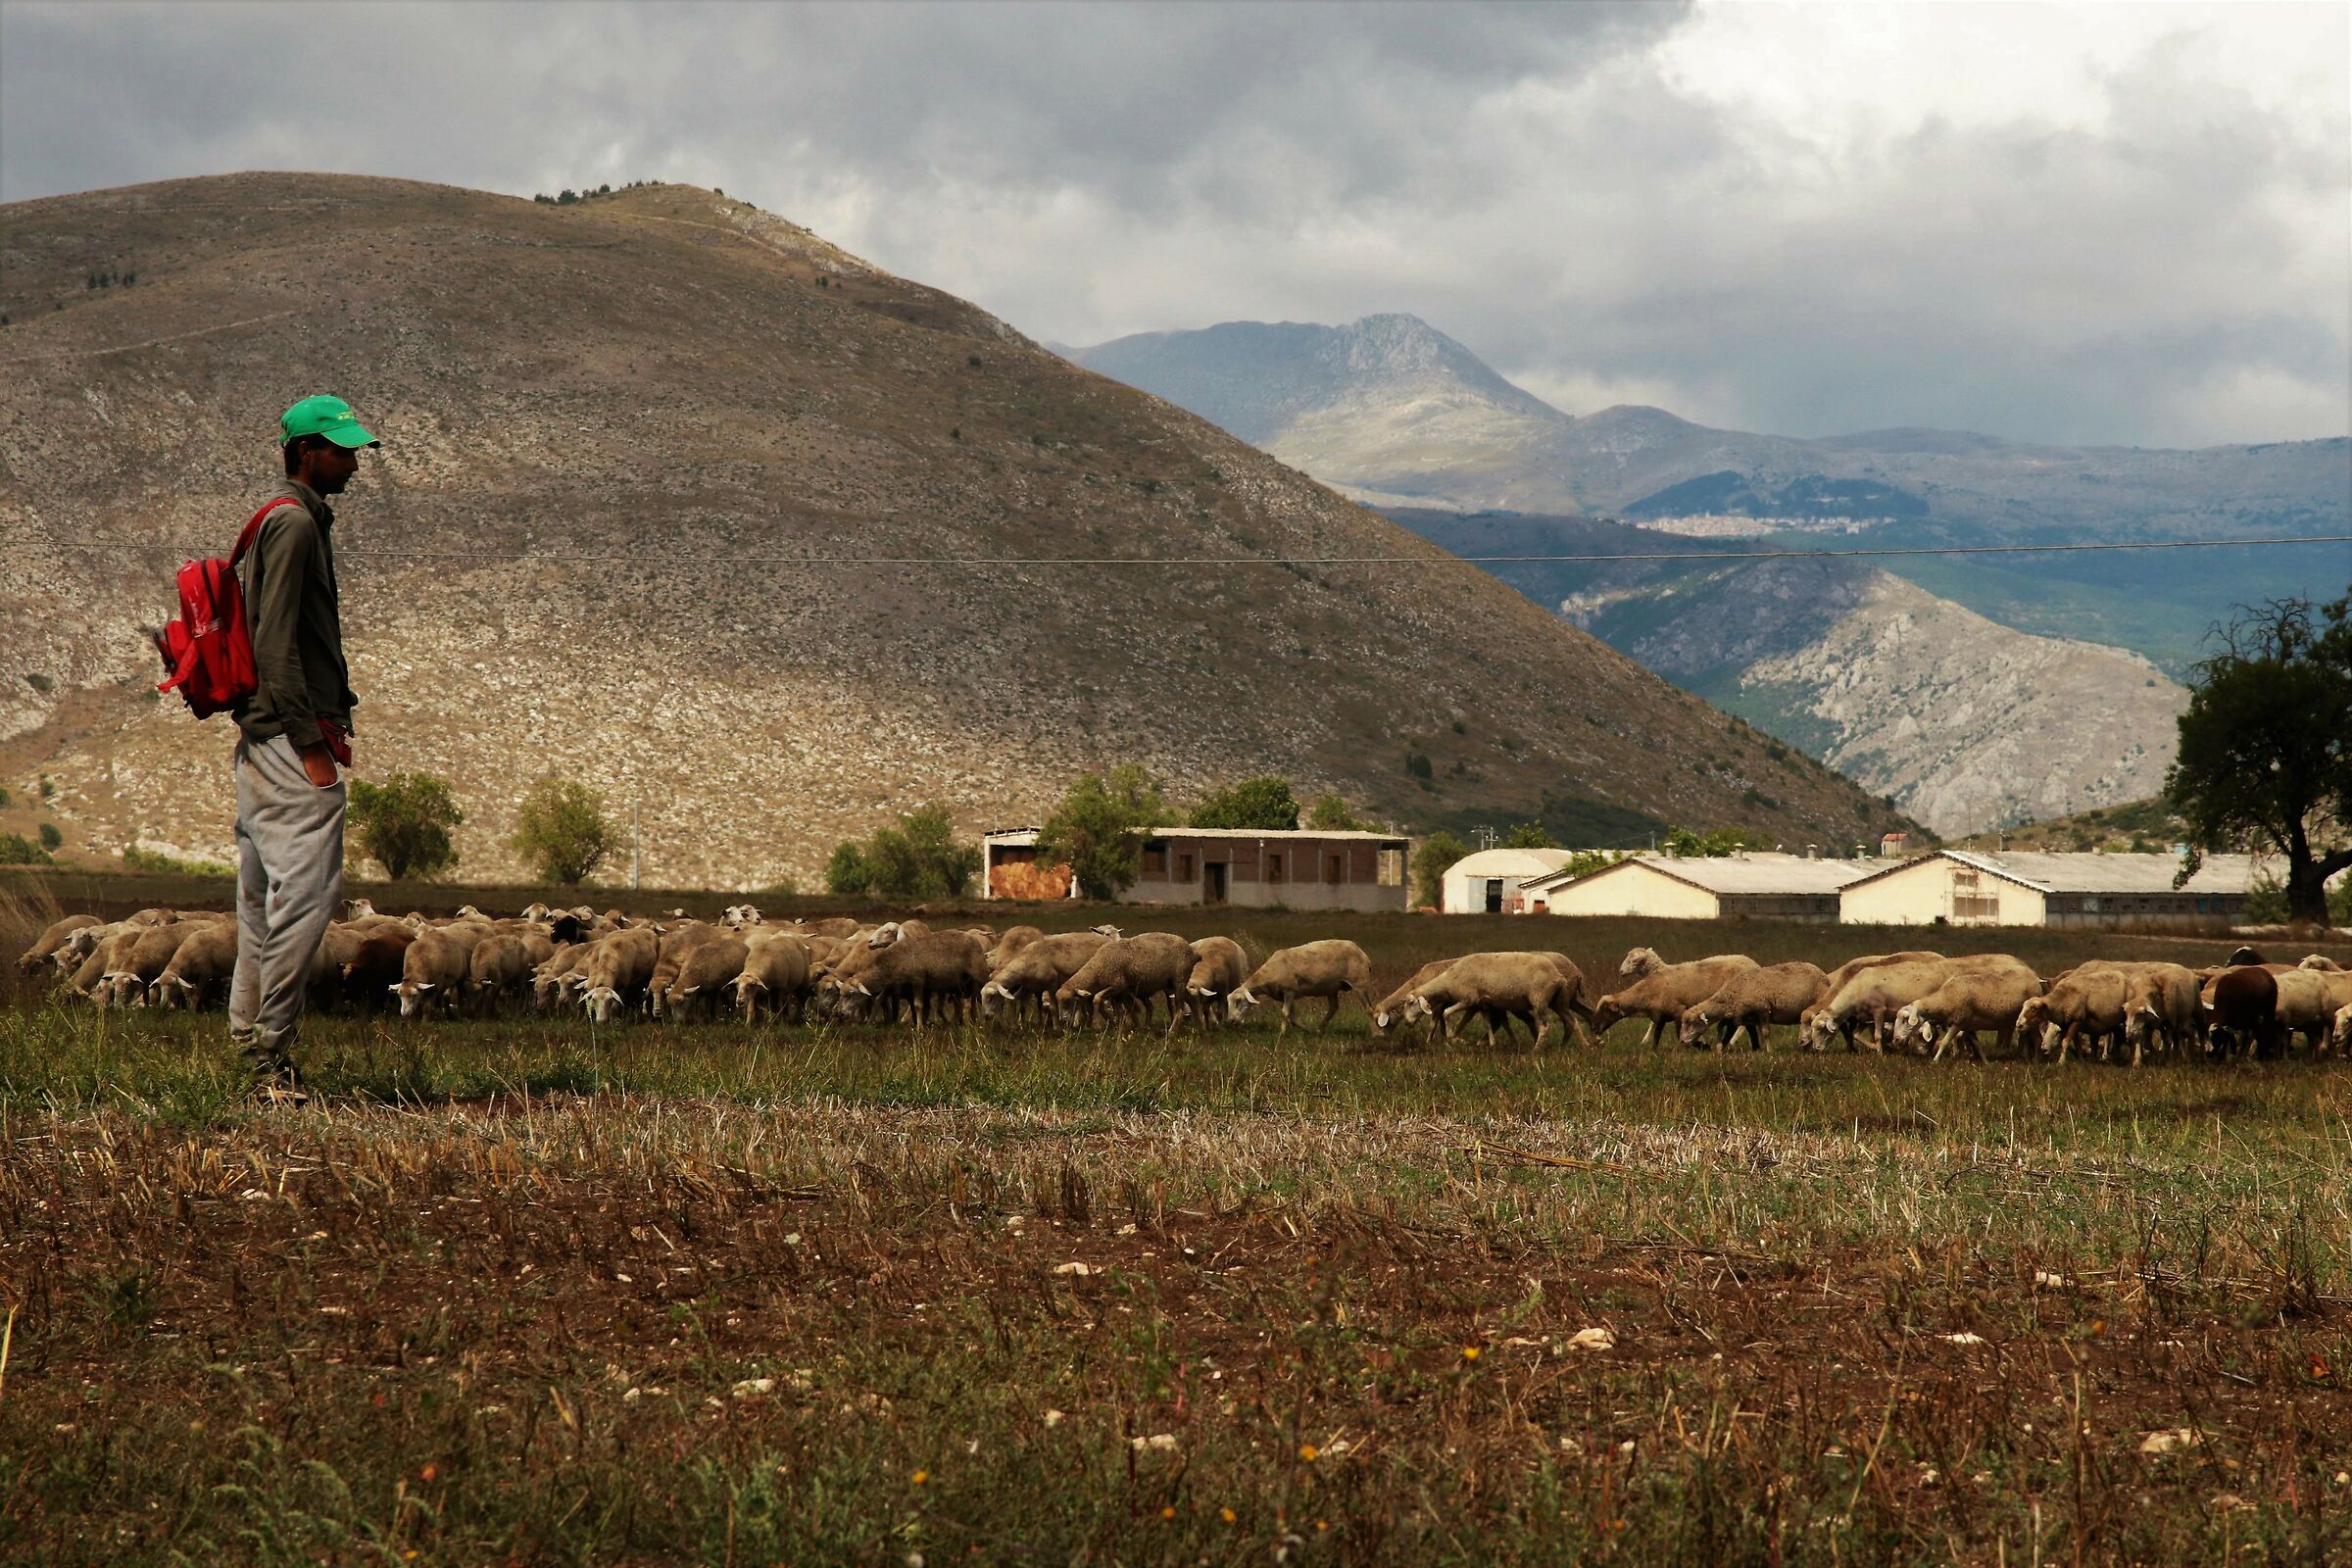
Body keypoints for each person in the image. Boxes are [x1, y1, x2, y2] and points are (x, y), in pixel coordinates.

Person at [227, 394, 379, 1100]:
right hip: (290, 740)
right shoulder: (292, 526)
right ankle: (268, 1055)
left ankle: (247, 1046)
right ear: (303, 452)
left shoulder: (285, 521)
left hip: (261, 742)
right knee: (310, 899)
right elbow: (276, 644)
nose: (350, 462)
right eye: (339, 449)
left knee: (262, 902)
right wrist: (308, 741)